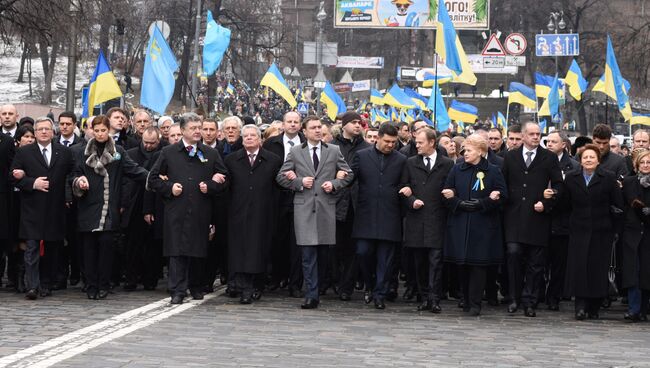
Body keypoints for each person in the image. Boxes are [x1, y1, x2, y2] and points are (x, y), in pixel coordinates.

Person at [148, 113, 228, 304]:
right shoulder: (169, 152)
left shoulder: (210, 153)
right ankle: (177, 289)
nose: (198, 131)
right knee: (176, 251)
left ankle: (196, 285)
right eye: (193, 128)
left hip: (200, 208)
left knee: (198, 249)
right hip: (177, 208)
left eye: (199, 127)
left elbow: (224, 177)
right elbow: (153, 179)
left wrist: (211, 185)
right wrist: (169, 188)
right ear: (182, 130)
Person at [276, 115, 354, 309]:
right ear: (305, 131)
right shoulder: (295, 152)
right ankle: (311, 294)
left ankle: (318, 288)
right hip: (303, 208)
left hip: (326, 208)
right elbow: (281, 177)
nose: (318, 130)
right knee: (307, 253)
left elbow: (349, 174)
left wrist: (334, 184)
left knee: (323, 254)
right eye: (313, 128)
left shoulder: (333, 151)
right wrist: (299, 182)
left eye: (320, 127)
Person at [71, 115, 148, 300]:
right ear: (90, 130)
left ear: (108, 131)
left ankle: (104, 284)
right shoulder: (82, 152)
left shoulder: (118, 151)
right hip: (88, 207)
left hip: (108, 209)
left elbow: (133, 170)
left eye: (103, 130)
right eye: (96, 130)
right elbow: (74, 174)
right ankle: (90, 285)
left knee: (106, 249)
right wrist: (79, 181)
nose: (99, 134)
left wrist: (153, 177)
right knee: (88, 250)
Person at [501, 121, 563, 317]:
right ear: (523, 135)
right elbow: (503, 183)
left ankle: (530, 300)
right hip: (514, 218)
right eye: (532, 134)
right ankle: (514, 298)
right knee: (513, 255)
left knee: (536, 264)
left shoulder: (549, 158)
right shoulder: (510, 157)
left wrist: (547, 202)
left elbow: (559, 187)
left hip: (537, 218)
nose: (536, 137)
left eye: (538, 134)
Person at [442, 134, 507, 315]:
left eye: (469, 150)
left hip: (483, 225)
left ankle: (476, 302)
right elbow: (446, 193)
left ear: (480, 151)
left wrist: (483, 203)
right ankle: (465, 298)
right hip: (461, 223)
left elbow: (502, 196)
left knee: (478, 265)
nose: (465, 153)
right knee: (462, 264)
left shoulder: (493, 171)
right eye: (464, 150)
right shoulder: (457, 169)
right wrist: (459, 203)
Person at [10, 117, 74, 299]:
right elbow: (13, 177)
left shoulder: (64, 152)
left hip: (55, 209)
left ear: (53, 132)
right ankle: (32, 286)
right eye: (40, 129)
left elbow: (73, 173)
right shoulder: (24, 153)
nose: (44, 132)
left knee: (52, 249)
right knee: (31, 249)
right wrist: (31, 183)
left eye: (47, 129)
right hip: (32, 209)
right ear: (35, 132)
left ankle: (46, 284)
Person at [563, 144, 623, 320]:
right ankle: (580, 306)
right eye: (585, 157)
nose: (588, 160)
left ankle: (594, 306)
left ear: (598, 160)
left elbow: (618, 205)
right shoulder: (571, 178)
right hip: (579, 229)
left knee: (597, 268)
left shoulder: (609, 178)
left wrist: (615, 230)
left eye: (592, 157)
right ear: (580, 161)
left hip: (602, 230)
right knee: (579, 268)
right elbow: (565, 204)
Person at [351, 122, 407, 309]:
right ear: (378, 138)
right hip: (366, 214)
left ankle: (379, 293)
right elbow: (351, 179)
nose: (390, 145)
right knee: (363, 252)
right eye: (387, 141)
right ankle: (369, 283)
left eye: (393, 142)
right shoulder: (362, 156)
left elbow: (404, 182)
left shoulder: (401, 159)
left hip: (390, 215)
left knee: (386, 259)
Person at [225, 125, 282, 304]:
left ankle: (253, 286)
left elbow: (278, 187)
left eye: (253, 136)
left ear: (260, 139)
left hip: (263, 212)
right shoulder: (232, 160)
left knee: (257, 250)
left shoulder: (272, 160)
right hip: (238, 212)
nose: (249, 138)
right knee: (239, 249)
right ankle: (241, 284)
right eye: (246, 136)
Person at [399, 129, 454, 313]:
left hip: (437, 219)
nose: (417, 145)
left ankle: (434, 298)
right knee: (420, 262)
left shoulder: (446, 164)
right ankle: (423, 297)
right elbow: (403, 187)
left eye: (421, 142)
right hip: (416, 219)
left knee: (436, 261)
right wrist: (411, 199)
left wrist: (450, 195)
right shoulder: (410, 163)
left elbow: (453, 187)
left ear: (432, 143)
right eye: (416, 142)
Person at [263, 111, 305, 297]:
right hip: (277, 196)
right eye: (290, 121)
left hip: (300, 195)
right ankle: (275, 277)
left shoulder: (306, 143)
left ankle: (295, 282)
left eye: (296, 122)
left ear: (300, 125)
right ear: (283, 124)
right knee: (276, 238)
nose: (293, 125)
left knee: (297, 242)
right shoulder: (272, 143)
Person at [329, 111, 369, 300]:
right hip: (335, 203)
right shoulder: (332, 146)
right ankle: (334, 280)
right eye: (353, 122)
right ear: (344, 125)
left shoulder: (367, 148)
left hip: (357, 205)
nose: (357, 125)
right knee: (333, 247)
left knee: (354, 250)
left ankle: (347, 286)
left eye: (360, 122)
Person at [122, 127, 162, 291]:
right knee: (132, 245)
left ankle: (150, 279)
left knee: (152, 246)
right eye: (145, 142)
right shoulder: (131, 154)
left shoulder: (163, 153)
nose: (148, 146)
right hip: (134, 203)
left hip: (154, 203)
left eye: (152, 143)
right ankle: (131, 278)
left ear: (158, 141)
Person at [544, 131, 580, 311]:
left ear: (563, 145)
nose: (549, 144)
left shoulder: (573, 166)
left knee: (558, 262)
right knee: (540, 260)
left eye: (553, 141)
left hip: (563, 219)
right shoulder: (541, 161)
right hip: (542, 217)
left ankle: (554, 295)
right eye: (547, 141)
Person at [621, 149, 650, 321]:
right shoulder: (630, 182)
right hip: (632, 232)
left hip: (648, 233)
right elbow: (624, 204)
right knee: (633, 271)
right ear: (636, 165)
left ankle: (643, 309)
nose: (646, 165)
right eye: (643, 162)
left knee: (646, 272)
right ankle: (634, 308)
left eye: (649, 162)